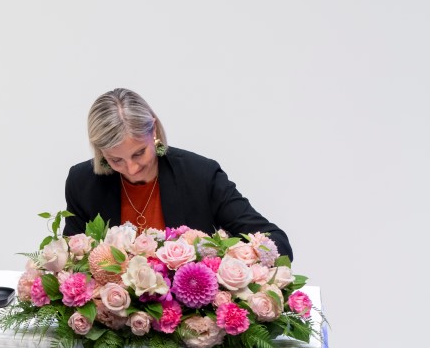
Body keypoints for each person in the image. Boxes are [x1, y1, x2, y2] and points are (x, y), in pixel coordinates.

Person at [63, 87, 293, 258]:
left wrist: (233, 260)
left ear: (153, 130)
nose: (132, 169)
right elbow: (72, 260)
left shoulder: (200, 175)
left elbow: (277, 243)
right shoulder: (82, 183)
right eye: (116, 160)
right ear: (101, 152)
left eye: (139, 153)